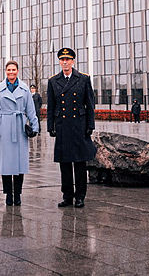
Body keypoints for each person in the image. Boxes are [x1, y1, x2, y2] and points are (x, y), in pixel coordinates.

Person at [47, 47, 96, 208]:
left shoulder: (83, 79)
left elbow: (90, 104)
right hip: (62, 125)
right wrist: (50, 126)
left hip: (79, 126)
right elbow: (51, 106)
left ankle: (80, 196)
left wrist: (90, 125)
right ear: (59, 62)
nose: (65, 62)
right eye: (62, 59)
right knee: (65, 163)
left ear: (73, 61)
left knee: (80, 164)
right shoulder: (53, 81)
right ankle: (67, 196)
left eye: (68, 59)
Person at [0, 60, 39, 206]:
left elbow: (31, 109)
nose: (11, 72)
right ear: (6, 71)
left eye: (13, 70)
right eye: (9, 70)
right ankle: (8, 194)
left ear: (18, 71)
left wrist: (34, 126)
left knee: (19, 163)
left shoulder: (24, 89)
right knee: (6, 163)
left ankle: (17, 194)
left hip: (19, 127)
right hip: (4, 126)